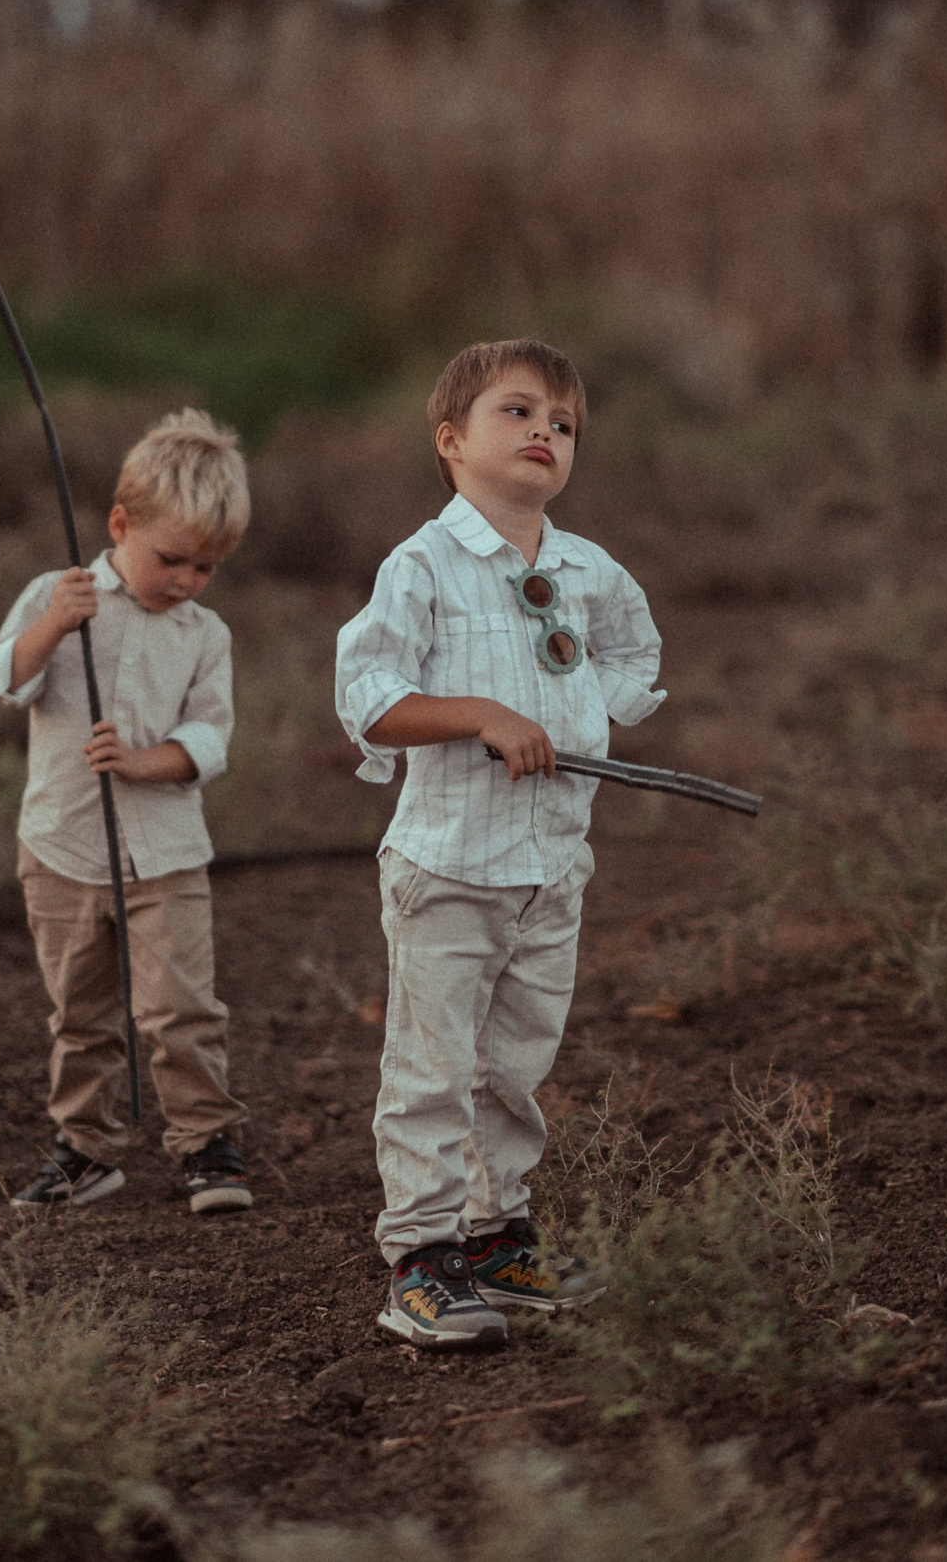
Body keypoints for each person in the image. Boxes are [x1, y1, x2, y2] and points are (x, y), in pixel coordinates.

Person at [334, 338, 665, 1347]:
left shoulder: (583, 568)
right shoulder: (422, 565)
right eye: (517, 413)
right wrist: (480, 713)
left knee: (513, 1059)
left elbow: (635, 651)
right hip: (451, 865)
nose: (543, 435)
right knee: (433, 1065)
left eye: (562, 424)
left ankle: (494, 1236)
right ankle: (420, 1260)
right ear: (451, 440)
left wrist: (578, 723)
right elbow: (369, 698)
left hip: (550, 865)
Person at [0, 408, 255, 1215]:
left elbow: (210, 737)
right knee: (81, 1012)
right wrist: (51, 626)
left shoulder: (205, 635)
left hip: (164, 852)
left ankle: (206, 1142)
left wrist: (140, 764)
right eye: (171, 559)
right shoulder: (54, 596)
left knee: (180, 1007)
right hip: (60, 846)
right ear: (120, 525)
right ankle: (85, 1152)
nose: (185, 582)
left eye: (206, 569)